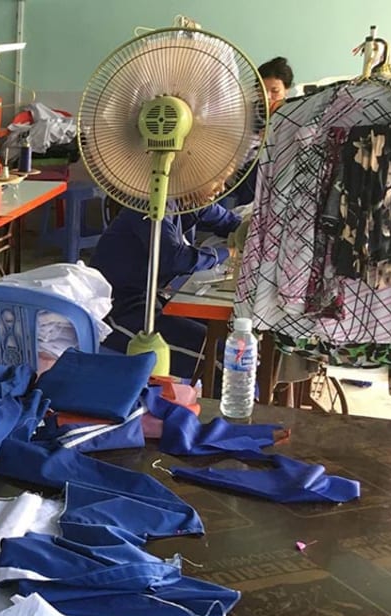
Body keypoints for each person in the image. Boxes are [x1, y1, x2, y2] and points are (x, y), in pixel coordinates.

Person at [91, 201, 240, 378]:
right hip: (119, 310)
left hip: (153, 298)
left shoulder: (189, 200)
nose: (220, 189)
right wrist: (228, 252)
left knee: (232, 336)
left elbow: (227, 222)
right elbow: (176, 259)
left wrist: (245, 230)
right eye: (217, 183)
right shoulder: (148, 205)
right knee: (224, 359)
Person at [231, 57, 295, 205]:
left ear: (287, 90)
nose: (267, 97)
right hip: (240, 178)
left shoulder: (294, 116)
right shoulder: (244, 114)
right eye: (261, 90)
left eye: (275, 91)